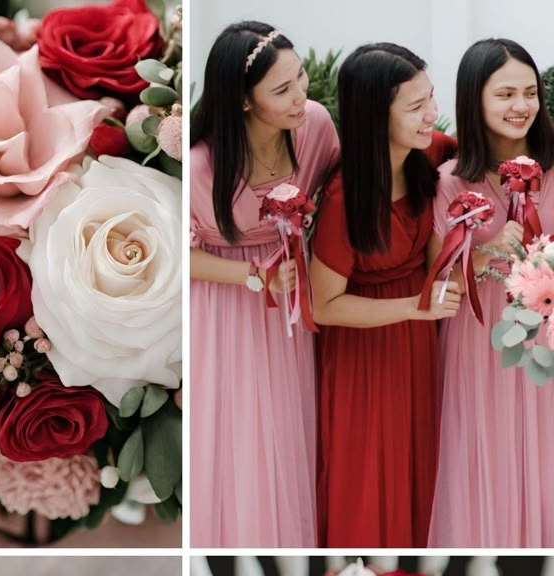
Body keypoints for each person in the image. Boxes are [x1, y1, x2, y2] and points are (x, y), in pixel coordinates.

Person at [190, 21, 339, 547]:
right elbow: (180, 256)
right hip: (225, 306)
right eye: (282, 90)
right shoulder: (201, 167)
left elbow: (340, 196)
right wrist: (256, 275)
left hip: (294, 305)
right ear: (244, 102)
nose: (302, 95)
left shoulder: (317, 127)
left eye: (300, 78)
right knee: (239, 442)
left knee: (293, 432)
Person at [310, 43, 459, 548]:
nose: (431, 115)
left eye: (431, 99)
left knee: (420, 467)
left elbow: (485, 154)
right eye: (416, 106)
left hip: (417, 348)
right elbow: (322, 304)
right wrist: (415, 307)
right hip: (363, 352)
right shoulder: (342, 198)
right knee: (367, 479)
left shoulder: (432, 153)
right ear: (377, 115)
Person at [428, 39, 554, 547]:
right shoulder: (449, 184)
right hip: (478, 344)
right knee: (484, 456)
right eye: (505, 94)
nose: (521, 106)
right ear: (474, 100)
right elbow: (434, 284)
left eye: (529, 92)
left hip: (546, 339)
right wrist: (483, 254)